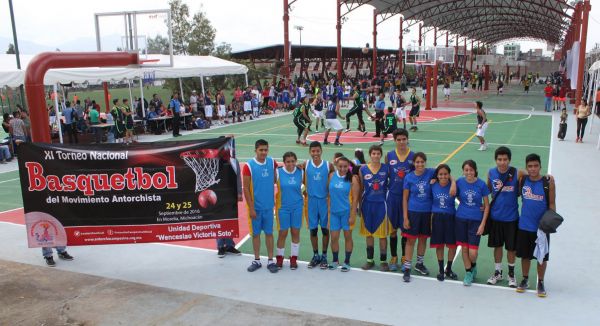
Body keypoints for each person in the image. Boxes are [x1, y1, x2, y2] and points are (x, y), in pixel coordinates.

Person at [516, 153, 555, 297]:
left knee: (542, 257)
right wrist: (528, 173)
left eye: (536, 166)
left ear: (540, 166)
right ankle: (525, 279)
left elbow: (551, 203)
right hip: (524, 225)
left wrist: (549, 223)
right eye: (530, 166)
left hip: (541, 228)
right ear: (527, 167)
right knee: (525, 256)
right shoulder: (523, 179)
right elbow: (518, 171)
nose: (533, 169)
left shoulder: (548, 183)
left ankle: (541, 281)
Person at [486, 146, 520, 287]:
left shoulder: (517, 173)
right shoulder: (491, 173)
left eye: (505, 159)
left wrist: (547, 178)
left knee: (511, 248)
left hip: (511, 218)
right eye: (499, 159)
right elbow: (487, 190)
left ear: (509, 160)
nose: (502, 162)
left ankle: (511, 275)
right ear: (496, 160)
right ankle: (498, 272)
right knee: (497, 246)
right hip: (495, 217)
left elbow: (532, 177)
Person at [242, 139, 278, 273]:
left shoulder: (272, 162)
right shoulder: (249, 166)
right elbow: (245, 188)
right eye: (261, 150)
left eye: (266, 150)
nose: (263, 152)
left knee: (269, 234)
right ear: (255, 150)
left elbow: (275, 178)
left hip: (269, 207)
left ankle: (270, 261)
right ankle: (256, 260)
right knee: (256, 235)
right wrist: (251, 208)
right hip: (255, 208)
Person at [402, 152, 436, 281]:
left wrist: (453, 183)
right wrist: (405, 217)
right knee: (411, 241)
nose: (420, 164)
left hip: (427, 213)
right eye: (417, 162)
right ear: (414, 163)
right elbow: (405, 199)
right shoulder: (409, 177)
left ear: (425, 162)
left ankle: (419, 264)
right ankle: (407, 268)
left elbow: (446, 173)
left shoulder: (431, 172)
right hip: (413, 212)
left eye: (422, 162)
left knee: (423, 239)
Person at [455, 160, 490, 286]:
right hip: (461, 219)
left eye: (471, 170)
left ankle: (473, 265)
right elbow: (457, 195)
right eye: (466, 170)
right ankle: (468, 272)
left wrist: (483, 224)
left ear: (475, 170)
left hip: (476, 221)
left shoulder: (481, 185)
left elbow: (486, 206)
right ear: (463, 171)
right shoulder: (459, 182)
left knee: (473, 252)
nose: (468, 172)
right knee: (464, 248)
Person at [358, 145, 391, 271]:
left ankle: (383, 261)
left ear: (381, 155)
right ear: (370, 155)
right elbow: (361, 188)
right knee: (369, 234)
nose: (376, 155)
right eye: (373, 153)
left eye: (378, 153)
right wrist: (359, 206)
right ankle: (369, 260)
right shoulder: (363, 169)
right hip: (367, 204)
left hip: (382, 205)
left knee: (382, 235)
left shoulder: (386, 168)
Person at [385, 129, 414, 272]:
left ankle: (404, 257)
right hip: (393, 197)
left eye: (404, 139)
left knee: (405, 230)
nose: (401, 142)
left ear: (407, 140)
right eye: (399, 139)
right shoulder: (389, 155)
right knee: (392, 230)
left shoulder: (413, 157)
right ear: (394, 141)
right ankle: (394, 257)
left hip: (407, 199)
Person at [303, 141, 334, 269]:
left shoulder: (328, 165)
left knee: (325, 230)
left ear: (321, 151)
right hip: (311, 202)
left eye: (317, 151)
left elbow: (335, 179)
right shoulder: (305, 164)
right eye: (313, 151)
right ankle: (316, 255)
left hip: (324, 201)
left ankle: (324, 256)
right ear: (310, 152)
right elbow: (301, 178)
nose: (315, 153)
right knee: (313, 230)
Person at [328, 156, 359, 272]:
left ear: (348, 167)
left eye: (345, 166)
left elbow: (355, 199)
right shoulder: (331, 176)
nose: (342, 168)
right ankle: (335, 260)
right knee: (334, 238)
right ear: (336, 166)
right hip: (334, 213)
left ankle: (347, 261)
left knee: (347, 237)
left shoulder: (353, 179)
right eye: (340, 166)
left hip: (346, 213)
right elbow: (329, 195)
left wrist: (352, 215)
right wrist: (329, 212)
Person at [275, 152, 303, 270]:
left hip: (297, 207)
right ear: (284, 162)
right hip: (283, 207)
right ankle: (279, 258)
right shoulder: (278, 172)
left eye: (293, 161)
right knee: (283, 233)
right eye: (288, 161)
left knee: (295, 232)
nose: (290, 164)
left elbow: (310, 185)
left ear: (296, 161)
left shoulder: (301, 172)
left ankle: (293, 258)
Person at [430, 164, 458, 281]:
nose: (443, 176)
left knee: (452, 245)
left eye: (445, 174)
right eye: (440, 174)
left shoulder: (454, 187)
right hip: (437, 218)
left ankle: (449, 269)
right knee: (439, 244)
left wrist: (453, 182)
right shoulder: (432, 185)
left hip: (451, 218)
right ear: (437, 175)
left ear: (449, 175)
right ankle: (441, 270)